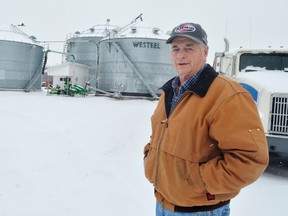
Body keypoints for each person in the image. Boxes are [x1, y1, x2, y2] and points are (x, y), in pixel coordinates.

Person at [143, 22, 269, 216]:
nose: (180, 55)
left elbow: (250, 159)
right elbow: (159, 136)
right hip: (163, 204)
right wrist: (149, 157)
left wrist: (200, 182)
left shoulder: (227, 95)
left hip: (201, 211)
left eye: (189, 48)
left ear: (205, 51)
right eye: (175, 48)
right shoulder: (170, 91)